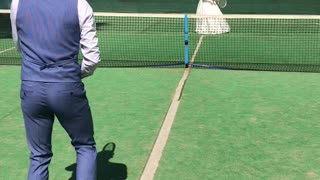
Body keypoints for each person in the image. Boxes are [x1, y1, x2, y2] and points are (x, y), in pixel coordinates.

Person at [10, 0, 100, 179]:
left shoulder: (17, 2)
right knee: (84, 146)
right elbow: (92, 60)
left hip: (31, 87)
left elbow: (18, 45)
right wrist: (70, 76)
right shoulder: (80, 5)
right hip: (67, 88)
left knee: (38, 155)